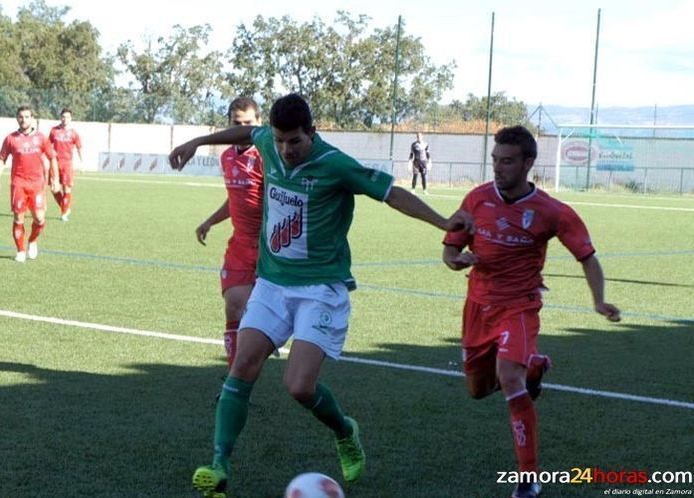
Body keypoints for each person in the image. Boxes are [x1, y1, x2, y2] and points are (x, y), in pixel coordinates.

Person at [169, 93, 474, 498]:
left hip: (321, 290)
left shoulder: (335, 165)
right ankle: (219, 466)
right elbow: (248, 131)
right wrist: (198, 142)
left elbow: (392, 194)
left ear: (312, 133)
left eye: (294, 141)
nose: (285, 150)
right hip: (273, 283)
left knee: (299, 386)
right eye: (279, 141)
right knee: (241, 366)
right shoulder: (268, 145)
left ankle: (346, 431)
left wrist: (443, 223)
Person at [442, 125, 621, 498]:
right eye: (495, 160)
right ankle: (535, 365)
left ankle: (528, 478)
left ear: (528, 163)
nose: (498, 168)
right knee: (477, 390)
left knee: (508, 377)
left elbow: (587, 258)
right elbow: (449, 250)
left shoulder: (552, 212)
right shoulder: (475, 199)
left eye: (507, 161)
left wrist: (598, 300)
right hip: (478, 307)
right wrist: (458, 260)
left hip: (520, 306)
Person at [195, 97, 264, 367]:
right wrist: (210, 221)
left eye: (249, 123)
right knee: (234, 306)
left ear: (260, 123)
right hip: (239, 247)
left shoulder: (267, 156)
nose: (243, 128)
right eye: (238, 124)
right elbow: (235, 200)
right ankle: (234, 379)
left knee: (265, 316)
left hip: (271, 249)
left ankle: (264, 340)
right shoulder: (226, 157)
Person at [0, 105, 58, 262]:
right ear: (17, 118)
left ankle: (33, 241)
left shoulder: (41, 138)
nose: (23, 119)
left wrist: (55, 179)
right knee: (18, 218)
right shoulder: (10, 139)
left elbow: (52, 157)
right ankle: (20, 250)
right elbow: (2, 160)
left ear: (32, 119)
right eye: (21, 116)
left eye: (27, 116)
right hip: (18, 184)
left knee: (40, 219)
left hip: (37, 184)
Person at [48, 107, 83, 221]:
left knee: (66, 188)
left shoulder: (74, 133)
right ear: (60, 118)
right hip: (55, 164)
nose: (65, 119)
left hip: (67, 164)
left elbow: (79, 148)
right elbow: (48, 146)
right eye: (63, 117)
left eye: (67, 117)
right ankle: (65, 207)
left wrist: (82, 163)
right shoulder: (54, 131)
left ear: (71, 118)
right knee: (54, 188)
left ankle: (64, 214)